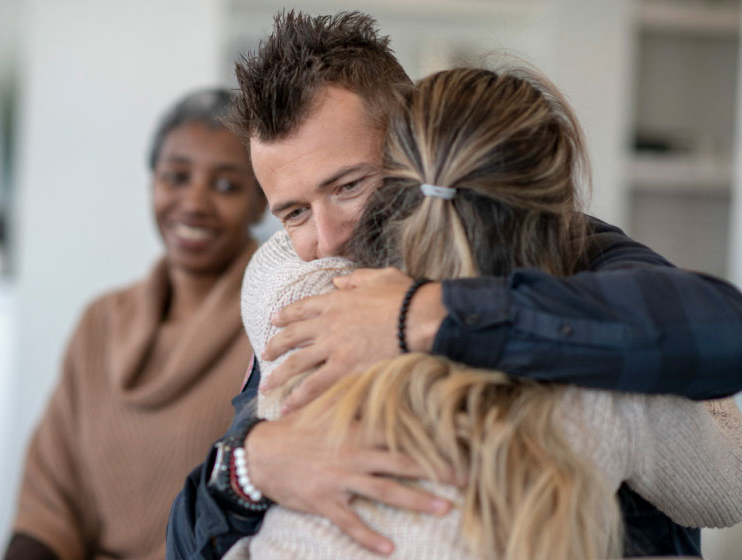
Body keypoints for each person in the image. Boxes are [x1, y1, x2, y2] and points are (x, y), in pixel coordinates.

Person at [166, 11, 742, 559]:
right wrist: (248, 470)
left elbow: (722, 333)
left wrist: (424, 314)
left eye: (348, 186)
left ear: (413, 141)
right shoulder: (305, 288)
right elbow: (188, 541)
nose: (330, 236)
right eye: (293, 213)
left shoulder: (570, 252)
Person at [4, 89, 266, 560]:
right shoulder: (101, 321)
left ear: (260, 204)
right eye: (176, 177)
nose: (194, 203)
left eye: (226, 185)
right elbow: (48, 498)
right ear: (152, 184)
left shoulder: (273, 325)